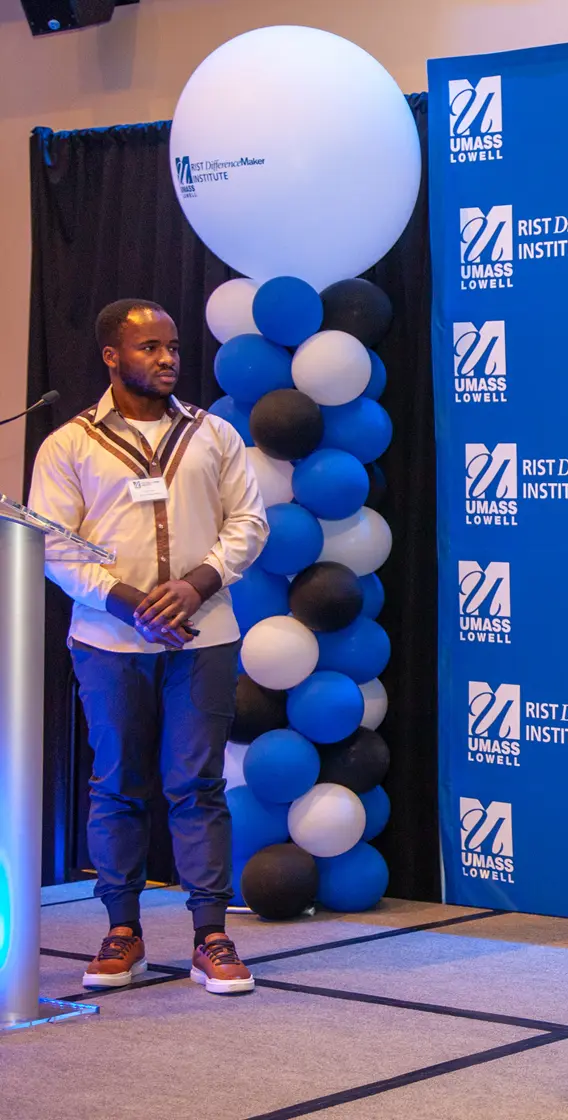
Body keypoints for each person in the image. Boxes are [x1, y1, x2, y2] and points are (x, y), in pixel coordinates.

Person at [29, 298, 267, 995]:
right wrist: (133, 603)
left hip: (203, 637)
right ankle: (122, 931)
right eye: (150, 348)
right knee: (118, 785)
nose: (167, 358)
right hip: (108, 640)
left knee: (197, 785)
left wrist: (193, 586)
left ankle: (210, 934)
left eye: (172, 347)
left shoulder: (213, 433)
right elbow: (51, 543)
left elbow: (249, 523)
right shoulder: (68, 444)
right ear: (111, 356)